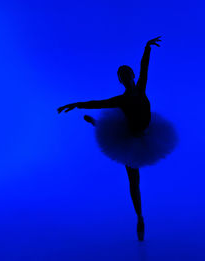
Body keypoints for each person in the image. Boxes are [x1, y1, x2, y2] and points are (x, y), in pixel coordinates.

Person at [57, 36, 178, 241]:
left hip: (147, 133)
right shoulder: (120, 99)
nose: (126, 76)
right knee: (134, 181)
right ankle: (140, 217)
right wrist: (76, 104)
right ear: (121, 80)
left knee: (131, 167)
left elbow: (144, 67)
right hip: (130, 139)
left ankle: (95, 123)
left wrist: (147, 48)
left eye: (127, 72)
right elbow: (97, 102)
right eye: (122, 75)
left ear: (131, 75)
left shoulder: (141, 88)